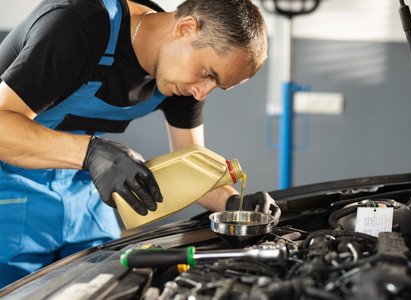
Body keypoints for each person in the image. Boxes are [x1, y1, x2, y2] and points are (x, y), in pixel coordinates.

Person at [0, 0, 281, 287]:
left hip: (84, 194)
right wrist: (90, 152)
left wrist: (232, 202)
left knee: (109, 287)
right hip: (8, 195)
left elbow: (192, 163)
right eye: (209, 74)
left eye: (215, 86)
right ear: (186, 28)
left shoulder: (182, 80)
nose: (201, 93)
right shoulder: (78, 25)